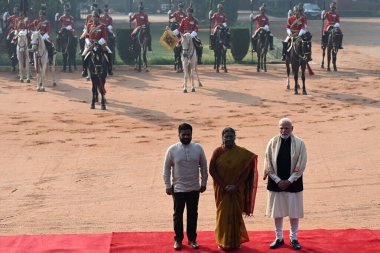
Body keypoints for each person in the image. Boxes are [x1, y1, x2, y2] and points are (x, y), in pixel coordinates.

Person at [209, 127, 258, 250]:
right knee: (222, 215)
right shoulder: (217, 152)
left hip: (237, 190)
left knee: (236, 214)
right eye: (226, 136)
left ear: (234, 137)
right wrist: (224, 186)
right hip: (222, 190)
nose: (229, 138)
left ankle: (236, 242)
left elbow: (247, 170)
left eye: (231, 136)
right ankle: (222, 242)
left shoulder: (241, 154)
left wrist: (236, 186)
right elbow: (212, 170)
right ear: (222, 138)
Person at [263, 118, 307, 250]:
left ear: (292, 128)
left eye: (286, 128)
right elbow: (268, 163)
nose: (283, 130)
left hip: (293, 182)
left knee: (294, 212)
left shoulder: (300, 143)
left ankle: (294, 238)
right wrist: (277, 180)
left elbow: (301, 163)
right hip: (276, 182)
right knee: (277, 212)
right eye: (281, 128)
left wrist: (289, 180)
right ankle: (279, 238)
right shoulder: (272, 142)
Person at [163, 123, 208, 251]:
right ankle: (178, 240)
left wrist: (203, 183)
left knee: (193, 214)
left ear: (191, 134)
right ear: (179, 135)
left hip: (194, 188)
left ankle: (192, 239)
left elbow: (204, 166)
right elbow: (166, 168)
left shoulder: (198, 148)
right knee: (178, 215)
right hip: (178, 189)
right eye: (184, 135)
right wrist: (167, 185)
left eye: (188, 134)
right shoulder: (172, 150)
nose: (186, 137)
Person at [81, 10, 113, 77]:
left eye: (97, 17)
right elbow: (86, 36)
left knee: (109, 52)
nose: (95, 18)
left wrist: (98, 43)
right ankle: (84, 70)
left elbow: (104, 37)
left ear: (99, 18)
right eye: (94, 17)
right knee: (84, 54)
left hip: (101, 43)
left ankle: (110, 69)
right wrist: (88, 42)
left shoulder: (102, 26)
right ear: (92, 17)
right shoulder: (89, 25)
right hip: (91, 43)